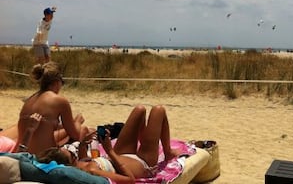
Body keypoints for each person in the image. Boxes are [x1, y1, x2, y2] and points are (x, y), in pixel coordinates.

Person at [49, 105, 179, 184]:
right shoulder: (92, 171)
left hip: (119, 154)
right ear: (69, 163)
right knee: (158, 110)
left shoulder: (80, 164)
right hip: (142, 163)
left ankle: (148, 141)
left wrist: (83, 145)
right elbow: (130, 180)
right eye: (72, 154)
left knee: (139, 110)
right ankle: (167, 152)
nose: (73, 151)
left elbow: (84, 159)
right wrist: (109, 151)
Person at [13, 61, 89, 155]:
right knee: (83, 130)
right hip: (44, 157)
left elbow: (43, 127)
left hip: (23, 153)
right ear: (57, 82)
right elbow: (75, 135)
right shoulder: (59, 101)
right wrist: (78, 121)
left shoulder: (29, 100)